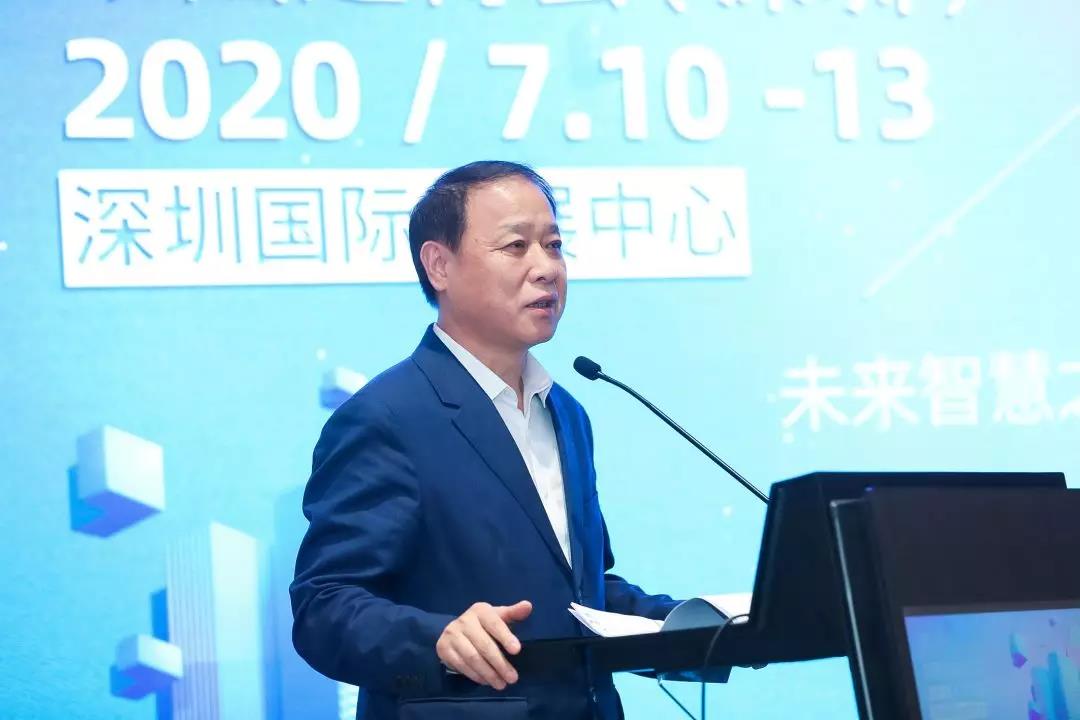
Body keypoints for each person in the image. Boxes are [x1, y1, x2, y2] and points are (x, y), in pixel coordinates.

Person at [291, 161, 677, 720]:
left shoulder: (566, 412)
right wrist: (438, 639)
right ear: (439, 265)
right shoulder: (387, 418)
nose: (546, 268)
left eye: (554, 245)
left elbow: (581, 597)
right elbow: (324, 607)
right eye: (516, 246)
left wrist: (705, 627)